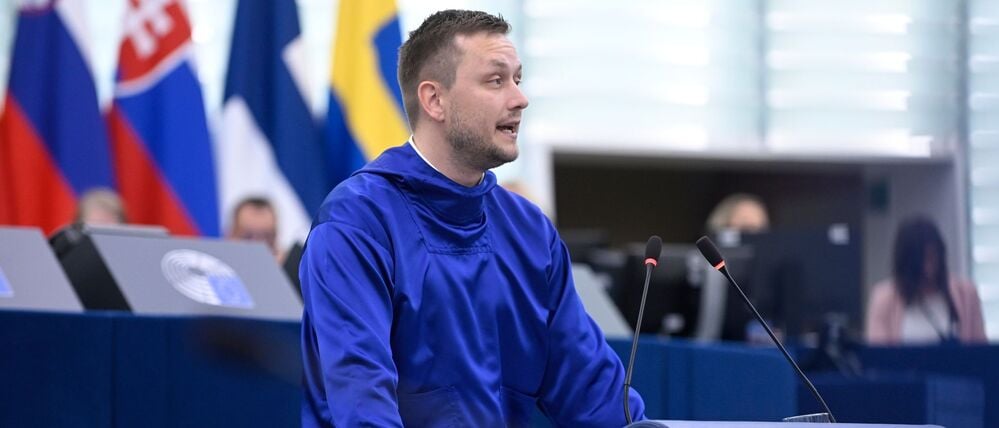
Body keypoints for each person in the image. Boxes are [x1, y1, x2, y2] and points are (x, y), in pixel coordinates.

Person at [299, 10, 644, 427]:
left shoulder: (530, 232)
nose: (519, 99)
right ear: (435, 100)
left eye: (518, 79)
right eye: (496, 80)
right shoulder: (357, 223)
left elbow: (595, 395)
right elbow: (361, 401)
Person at [865, 216, 986, 345]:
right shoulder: (885, 298)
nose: (928, 268)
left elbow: (981, 349)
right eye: (920, 260)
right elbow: (879, 352)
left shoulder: (966, 294)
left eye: (932, 257)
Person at [228, 197, 281, 261]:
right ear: (231, 236)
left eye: (266, 237)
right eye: (248, 237)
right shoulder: (217, 265)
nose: (258, 246)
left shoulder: (285, 263)